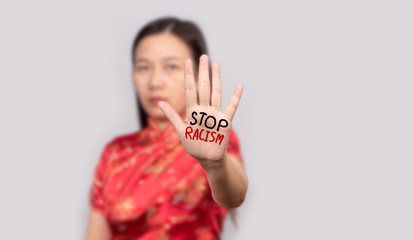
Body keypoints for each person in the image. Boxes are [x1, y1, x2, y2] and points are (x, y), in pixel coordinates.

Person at [86, 16, 248, 240]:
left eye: (171, 66)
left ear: (201, 76)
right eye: (143, 67)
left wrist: (215, 164)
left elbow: (235, 195)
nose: (155, 82)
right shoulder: (115, 152)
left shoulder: (210, 140)